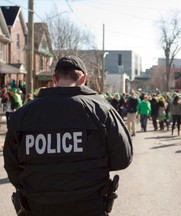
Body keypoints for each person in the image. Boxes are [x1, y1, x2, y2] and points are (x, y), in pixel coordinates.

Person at [3, 55, 133, 216]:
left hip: (38, 205)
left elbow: (11, 164)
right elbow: (123, 158)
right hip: (89, 204)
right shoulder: (101, 110)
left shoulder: (23, 114)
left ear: (54, 79)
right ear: (83, 78)